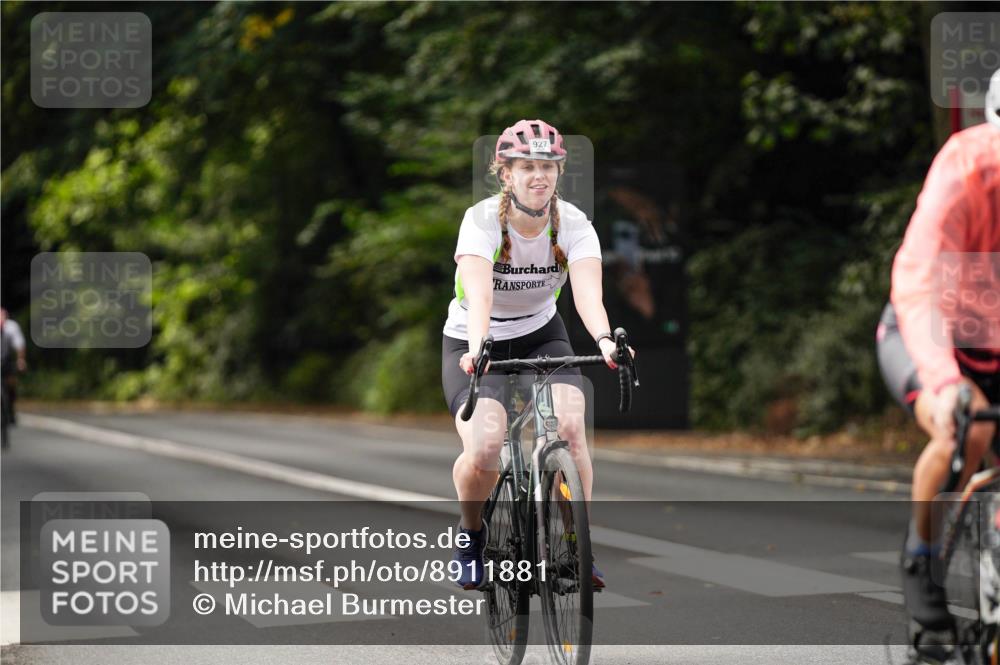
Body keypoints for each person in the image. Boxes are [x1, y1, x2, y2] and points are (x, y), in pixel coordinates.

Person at [442, 119, 630, 590]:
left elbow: (587, 295)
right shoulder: (482, 220)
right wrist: (478, 348)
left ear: (558, 171)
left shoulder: (574, 225)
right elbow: (480, 295)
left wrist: (606, 340)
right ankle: (471, 535)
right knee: (484, 450)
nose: (537, 175)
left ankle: (575, 545)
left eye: (546, 165)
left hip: (541, 335)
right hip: (474, 339)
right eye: (526, 166)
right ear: (505, 173)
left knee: (570, 427)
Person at [877, 69, 1000, 657]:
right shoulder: (967, 167)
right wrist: (947, 381)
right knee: (967, 426)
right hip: (929, 331)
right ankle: (920, 561)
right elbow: (919, 281)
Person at [0, 308, 27, 424]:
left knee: (11, 382)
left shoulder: (11, 327)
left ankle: (10, 408)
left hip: (6, 358)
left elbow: (20, 345)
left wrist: (21, 360)